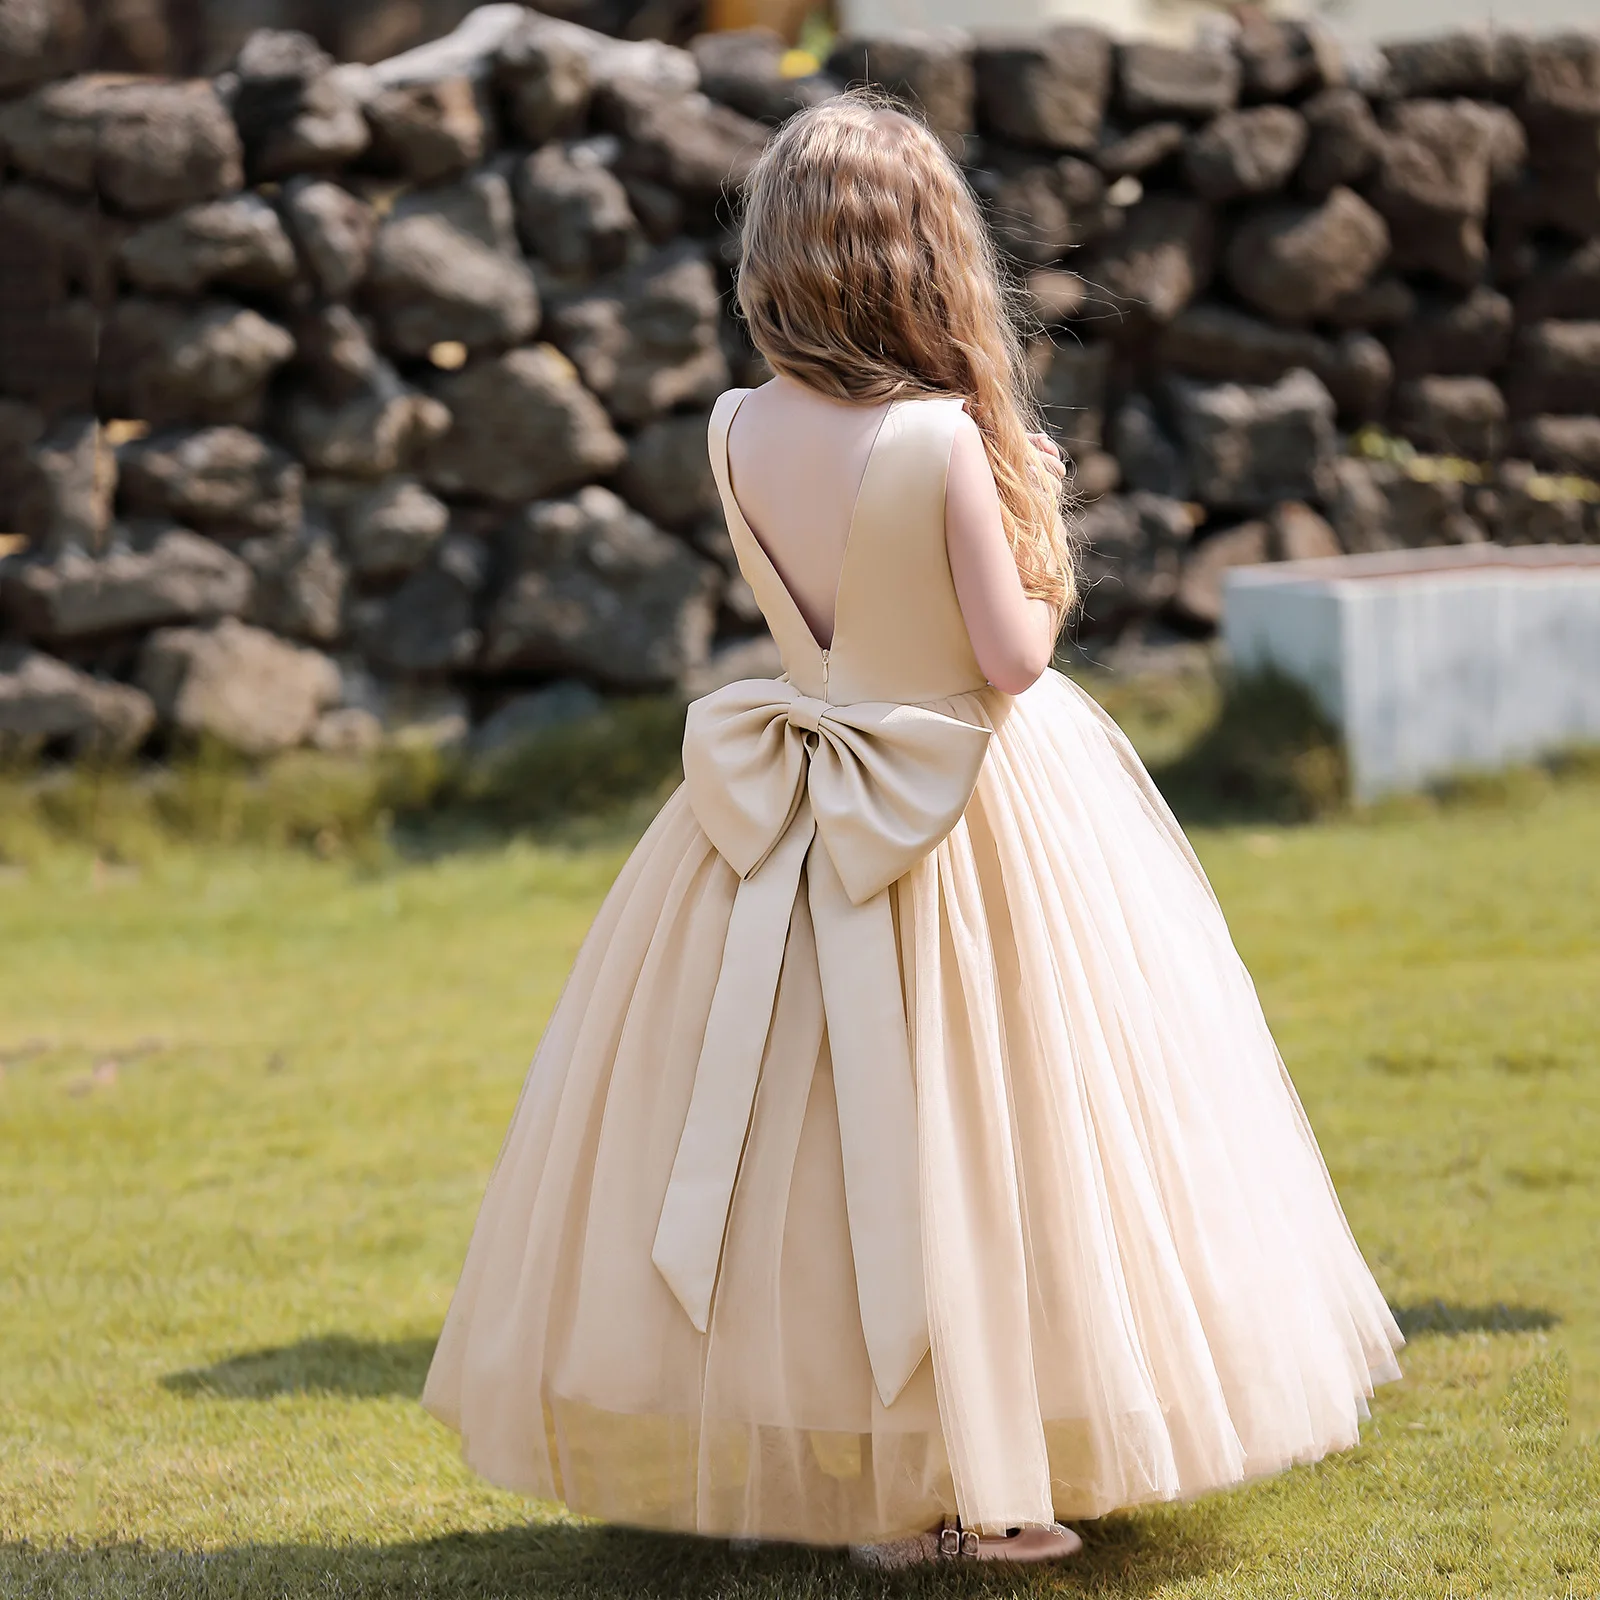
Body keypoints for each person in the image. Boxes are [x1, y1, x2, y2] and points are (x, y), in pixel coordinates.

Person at [422, 91, 1403, 1566]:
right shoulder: (944, 440)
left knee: (806, 1140)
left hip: (784, 811)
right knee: (989, 1118)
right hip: (965, 808)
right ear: (925, 263)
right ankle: (982, 1465)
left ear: (776, 264)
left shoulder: (732, 425)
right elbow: (1012, 660)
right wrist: (1043, 525)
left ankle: (866, 1462)